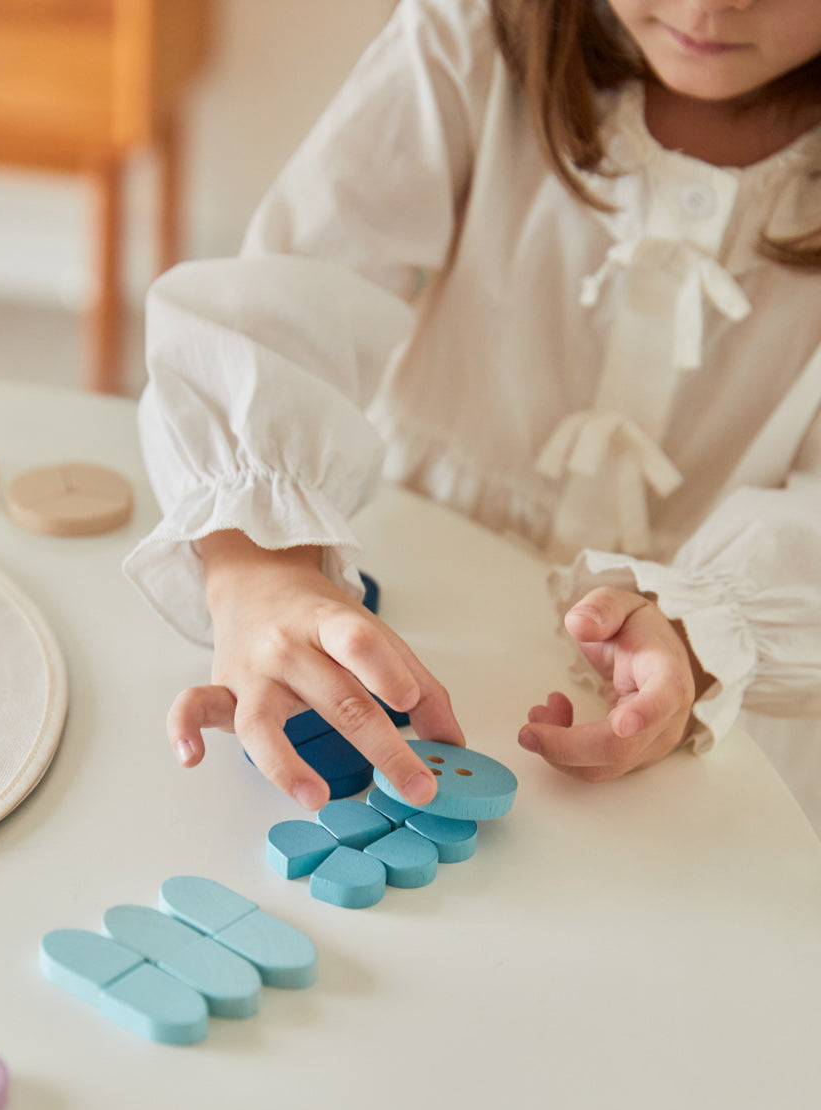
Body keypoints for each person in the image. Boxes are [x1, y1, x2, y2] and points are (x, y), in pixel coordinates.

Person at [124, 0, 821, 821]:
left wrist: (703, 633)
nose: (709, 6)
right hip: (410, 608)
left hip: (712, 714)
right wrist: (258, 571)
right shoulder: (474, 34)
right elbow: (293, 294)